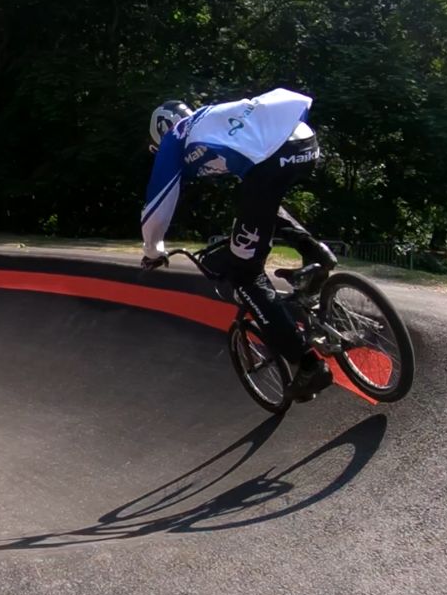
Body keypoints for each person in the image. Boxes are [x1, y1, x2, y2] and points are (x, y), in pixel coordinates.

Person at [139, 88, 340, 401]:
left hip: (271, 159)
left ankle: (308, 365)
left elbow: (158, 201)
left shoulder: (174, 140)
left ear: (161, 132)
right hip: (303, 141)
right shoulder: (208, 119)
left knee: (245, 274)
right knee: (258, 200)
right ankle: (316, 254)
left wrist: (153, 249)